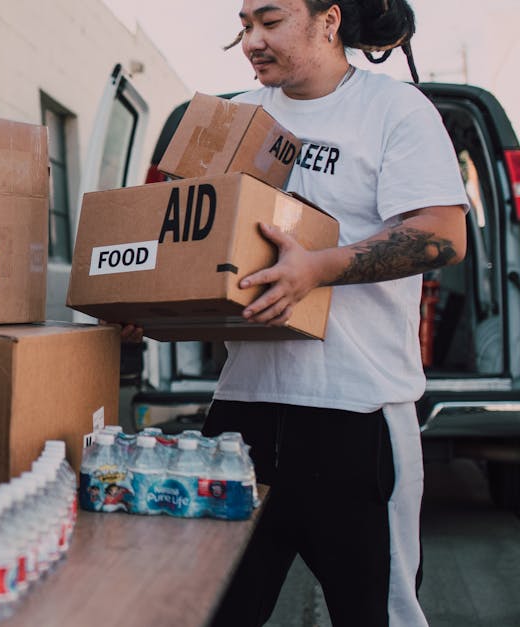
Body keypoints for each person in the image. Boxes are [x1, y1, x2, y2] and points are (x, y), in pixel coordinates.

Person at [201, 1, 469, 625]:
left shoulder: (394, 110)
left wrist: (319, 268)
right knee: (212, 610)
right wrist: (148, 300)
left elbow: (443, 234)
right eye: (244, 25)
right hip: (243, 411)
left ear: (329, 20)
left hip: (357, 415)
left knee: (377, 614)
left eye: (270, 22)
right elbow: (189, 235)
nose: (252, 41)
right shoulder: (237, 116)